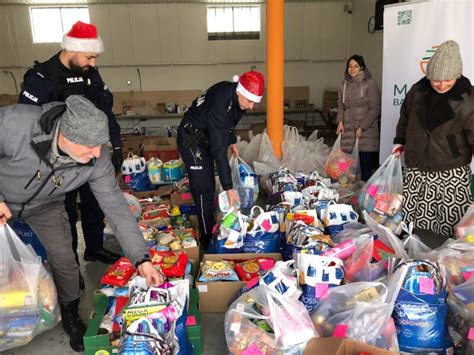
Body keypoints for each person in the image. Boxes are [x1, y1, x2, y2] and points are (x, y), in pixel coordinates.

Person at [0, 95, 163, 352]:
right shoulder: (15, 124)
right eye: (89, 146)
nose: (96, 153)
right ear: (65, 135)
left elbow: (116, 209)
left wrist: (141, 259)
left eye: (100, 145)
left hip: (46, 206)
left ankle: (71, 316)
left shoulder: (97, 158)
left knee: (66, 261)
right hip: (3, 196)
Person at [18, 21, 122, 266]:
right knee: (65, 214)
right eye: (89, 56)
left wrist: (116, 145)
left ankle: (94, 249)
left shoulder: (89, 74)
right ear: (73, 50)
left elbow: (105, 110)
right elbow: (25, 124)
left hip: (90, 154)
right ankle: (70, 264)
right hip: (58, 161)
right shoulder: (41, 78)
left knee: (94, 204)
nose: (93, 63)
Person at [393, 40, 473, 236]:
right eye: (436, 79)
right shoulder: (417, 90)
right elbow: (405, 117)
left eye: (448, 80)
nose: (441, 84)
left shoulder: (468, 97)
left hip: (450, 169)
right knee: (414, 222)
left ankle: (447, 262)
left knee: (452, 223)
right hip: (416, 165)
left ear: (457, 75)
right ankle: (414, 257)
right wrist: (400, 141)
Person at [177, 71, 265, 249]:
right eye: (249, 101)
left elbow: (228, 123)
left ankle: (212, 230)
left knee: (208, 181)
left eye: (255, 103)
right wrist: (229, 188)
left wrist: (231, 141)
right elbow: (218, 150)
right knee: (204, 189)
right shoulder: (221, 104)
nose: (251, 107)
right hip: (192, 138)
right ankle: (207, 239)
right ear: (240, 92)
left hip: (207, 135)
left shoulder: (234, 96)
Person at [336, 54, 381, 181]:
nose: (352, 69)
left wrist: (362, 127)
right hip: (348, 133)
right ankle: (351, 198)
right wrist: (340, 121)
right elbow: (340, 106)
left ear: (362, 67)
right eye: (349, 66)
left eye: (356, 66)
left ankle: (366, 198)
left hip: (366, 134)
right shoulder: (343, 86)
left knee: (365, 171)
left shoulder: (370, 84)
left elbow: (375, 109)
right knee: (347, 172)